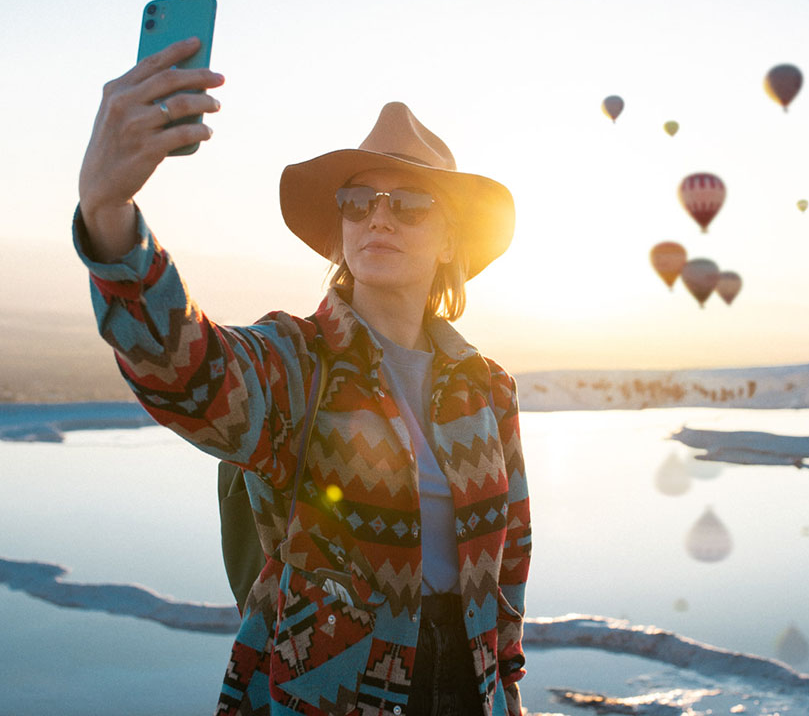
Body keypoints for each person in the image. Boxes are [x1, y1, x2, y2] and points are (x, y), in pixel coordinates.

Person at [74, 37, 531, 716]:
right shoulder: (295, 360)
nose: (379, 216)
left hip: (469, 691)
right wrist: (108, 213)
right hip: (325, 698)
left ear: (449, 241)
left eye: (409, 204)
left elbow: (509, 563)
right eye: (358, 202)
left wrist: (508, 689)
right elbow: (186, 373)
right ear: (341, 229)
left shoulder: (487, 387)